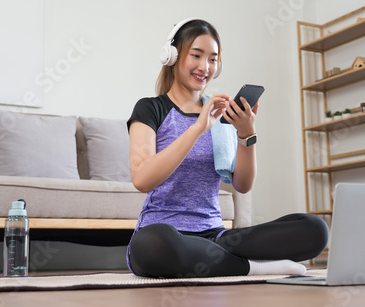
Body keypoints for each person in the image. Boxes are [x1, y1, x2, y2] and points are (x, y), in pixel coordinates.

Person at [126, 18, 328, 278]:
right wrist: (198, 127)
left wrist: (246, 133)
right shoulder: (150, 109)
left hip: (215, 236)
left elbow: (242, 185)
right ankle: (251, 267)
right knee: (151, 245)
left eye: (212, 59)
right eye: (196, 56)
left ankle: (220, 258)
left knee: (314, 228)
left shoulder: (221, 114)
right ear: (173, 56)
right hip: (165, 232)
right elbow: (142, 179)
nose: (205, 67)